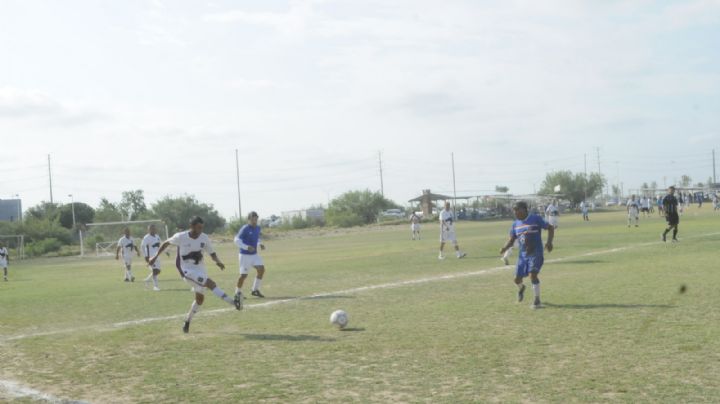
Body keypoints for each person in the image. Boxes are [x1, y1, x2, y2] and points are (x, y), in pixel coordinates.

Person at [150, 216, 241, 334]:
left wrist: (218, 261)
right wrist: (155, 256)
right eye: (199, 227)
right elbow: (166, 243)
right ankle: (233, 302)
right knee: (210, 283)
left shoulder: (204, 238)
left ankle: (187, 321)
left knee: (200, 299)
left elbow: (212, 253)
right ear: (192, 227)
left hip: (200, 269)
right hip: (186, 271)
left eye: (202, 227)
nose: (201, 230)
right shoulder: (180, 237)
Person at [500, 201, 555, 309]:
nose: (515, 213)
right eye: (514, 211)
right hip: (522, 255)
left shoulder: (535, 218)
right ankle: (521, 288)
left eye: (517, 210)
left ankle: (537, 300)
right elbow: (511, 240)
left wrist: (549, 242)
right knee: (516, 279)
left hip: (536, 253)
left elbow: (550, 228)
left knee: (532, 274)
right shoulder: (515, 224)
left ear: (524, 209)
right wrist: (504, 248)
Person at [234, 211, 267, 300]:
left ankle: (254, 290)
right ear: (249, 219)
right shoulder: (245, 228)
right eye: (253, 219)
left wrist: (260, 244)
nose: (254, 221)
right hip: (244, 256)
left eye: (256, 219)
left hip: (254, 255)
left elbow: (256, 238)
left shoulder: (258, 228)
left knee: (261, 269)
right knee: (243, 276)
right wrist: (246, 247)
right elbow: (236, 240)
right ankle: (237, 292)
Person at [141, 224, 163, 291]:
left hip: (157, 256)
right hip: (151, 256)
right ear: (149, 230)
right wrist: (145, 256)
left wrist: (166, 251)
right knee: (154, 270)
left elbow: (160, 245)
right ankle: (155, 286)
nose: (153, 230)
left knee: (158, 271)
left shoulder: (157, 236)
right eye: (151, 229)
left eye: (154, 228)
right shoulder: (146, 237)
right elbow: (142, 246)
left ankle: (147, 280)